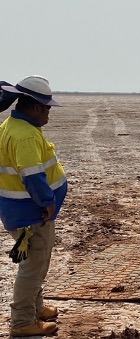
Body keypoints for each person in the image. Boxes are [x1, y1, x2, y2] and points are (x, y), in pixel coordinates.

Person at [0, 76, 67, 336]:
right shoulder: (25, 136)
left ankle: (36, 307)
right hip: (32, 212)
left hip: (23, 211)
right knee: (32, 267)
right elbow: (33, 177)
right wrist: (48, 202)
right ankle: (22, 322)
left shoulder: (12, 126)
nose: (49, 112)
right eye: (47, 107)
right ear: (36, 107)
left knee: (37, 262)